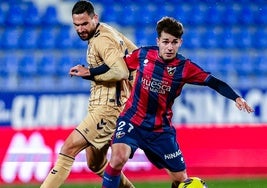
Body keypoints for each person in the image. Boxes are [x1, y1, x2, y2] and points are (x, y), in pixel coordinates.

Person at [101, 16, 254, 188]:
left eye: (174, 42)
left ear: (180, 42)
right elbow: (116, 69)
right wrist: (90, 72)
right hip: (132, 120)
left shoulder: (185, 67)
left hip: (160, 130)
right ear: (158, 40)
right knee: (117, 158)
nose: (169, 47)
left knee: (181, 180)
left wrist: (236, 97)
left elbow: (214, 82)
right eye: (165, 41)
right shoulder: (143, 54)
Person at [40, 1, 137, 188]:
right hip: (104, 104)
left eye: (84, 24)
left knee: (68, 149)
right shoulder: (108, 31)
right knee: (95, 164)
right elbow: (135, 54)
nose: (80, 29)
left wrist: (90, 72)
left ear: (95, 18)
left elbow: (121, 71)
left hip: (109, 107)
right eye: (76, 25)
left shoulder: (102, 39)